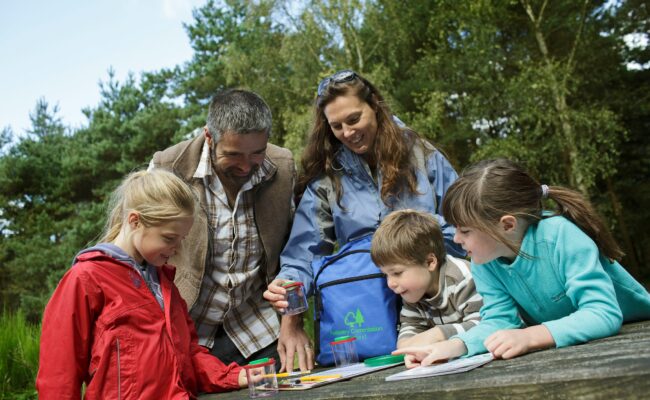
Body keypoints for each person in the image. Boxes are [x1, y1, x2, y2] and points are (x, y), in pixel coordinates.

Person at [263, 70, 464, 372]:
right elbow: (303, 257)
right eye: (336, 126)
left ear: (376, 106)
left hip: (438, 315)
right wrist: (289, 308)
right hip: (367, 329)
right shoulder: (327, 179)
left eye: (354, 119)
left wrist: (413, 235)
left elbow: (465, 231)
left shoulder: (423, 156)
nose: (347, 132)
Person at [394, 159, 650, 368]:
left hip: (635, 329)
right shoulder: (485, 260)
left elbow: (602, 313)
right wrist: (455, 346)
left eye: (466, 231)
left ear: (506, 225)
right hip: (576, 343)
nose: (456, 239)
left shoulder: (561, 235)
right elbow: (499, 320)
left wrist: (530, 337)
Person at [36, 169, 247, 399]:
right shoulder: (85, 279)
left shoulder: (165, 286)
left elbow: (189, 356)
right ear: (134, 221)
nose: (177, 248)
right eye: (169, 238)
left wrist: (234, 376)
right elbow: (58, 378)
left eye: (181, 239)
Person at [149, 89, 295, 366]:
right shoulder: (167, 167)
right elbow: (134, 252)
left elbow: (296, 251)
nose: (245, 166)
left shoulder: (284, 167)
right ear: (209, 137)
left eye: (257, 153)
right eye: (233, 154)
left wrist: (293, 319)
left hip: (258, 331)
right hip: (185, 332)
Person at [370, 209, 483, 368]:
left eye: (397, 273)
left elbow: (484, 324)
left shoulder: (462, 278)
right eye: (386, 275)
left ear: (430, 262)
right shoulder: (413, 292)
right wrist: (408, 349)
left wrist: (437, 334)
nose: (390, 283)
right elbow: (410, 327)